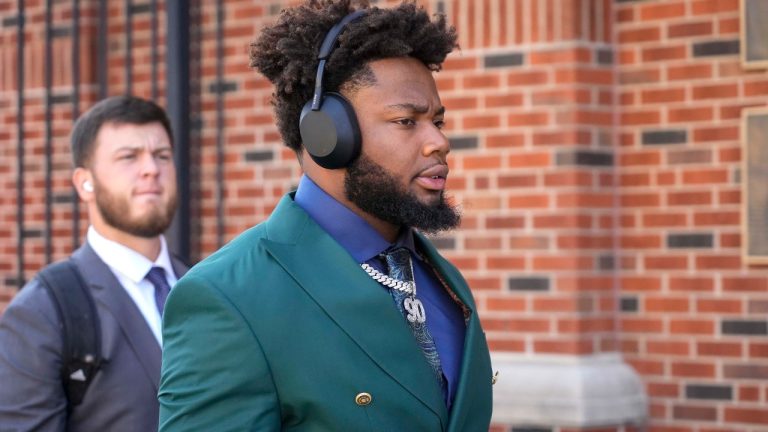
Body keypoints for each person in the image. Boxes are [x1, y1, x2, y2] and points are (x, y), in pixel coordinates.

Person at [158, 0, 493, 431]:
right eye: (407, 121)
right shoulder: (227, 297)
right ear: (327, 134)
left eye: (438, 122)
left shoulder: (443, 280)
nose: (438, 142)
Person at [0, 95, 188, 431]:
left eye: (162, 155)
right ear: (84, 182)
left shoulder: (205, 287)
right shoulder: (42, 312)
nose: (151, 169)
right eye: (128, 157)